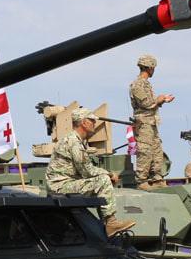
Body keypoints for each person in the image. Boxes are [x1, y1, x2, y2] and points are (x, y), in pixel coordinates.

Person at [46, 107, 136, 237]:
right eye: (92, 120)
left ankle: (107, 223)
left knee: (101, 181)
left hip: (66, 184)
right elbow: (86, 170)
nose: (94, 123)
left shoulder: (76, 140)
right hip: (60, 186)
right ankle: (111, 223)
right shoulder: (73, 142)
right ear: (83, 122)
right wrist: (109, 174)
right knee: (103, 180)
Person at [128, 54, 174, 190]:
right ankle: (142, 181)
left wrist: (162, 101)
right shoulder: (137, 84)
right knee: (145, 151)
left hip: (151, 123)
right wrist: (159, 99)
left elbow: (151, 104)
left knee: (157, 150)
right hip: (144, 124)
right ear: (149, 68)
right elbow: (146, 103)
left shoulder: (146, 84)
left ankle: (157, 178)